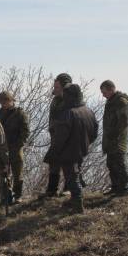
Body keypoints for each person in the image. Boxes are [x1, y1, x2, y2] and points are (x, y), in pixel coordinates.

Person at [49, 84, 99, 213]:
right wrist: (85, 144)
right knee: (75, 174)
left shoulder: (68, 113)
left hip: (68, 150)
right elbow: (94, 132)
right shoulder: (88, 110)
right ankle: (74, 200)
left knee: (72, 177)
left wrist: (55, 150)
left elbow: (60, 136)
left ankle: (78, 206)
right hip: (81, 149)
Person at [0, 91, 30, 203]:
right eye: (2, 102)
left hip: (16, 147)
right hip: (3, 148)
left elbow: (25, 132)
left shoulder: (20, 114)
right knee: (3, 173)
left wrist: (18, 144)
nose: (3, 104)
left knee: (17, 172)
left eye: (5, 102)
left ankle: (18, 195)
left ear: (11, 101)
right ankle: (6, 196)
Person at [42, 73, 73, 198]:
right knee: (53, 163)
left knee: (68, 165)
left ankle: (68, 189)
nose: (54, 89)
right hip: (55, 138)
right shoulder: (55, 100)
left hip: (68, 139)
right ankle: (51, 190)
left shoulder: (71, 101)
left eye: (57, 86)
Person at [100, 80, 128, 197]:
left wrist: (113, 135)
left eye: (104, 92)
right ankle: (115, 187)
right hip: (110, 140)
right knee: (111, 164)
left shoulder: (121, 102)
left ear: (111, 89)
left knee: (119, 164)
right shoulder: (111, 102)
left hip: (118, 141)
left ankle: (123, 189)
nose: (103, 95)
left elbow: (123, 122)